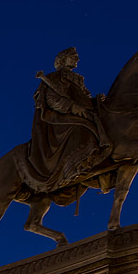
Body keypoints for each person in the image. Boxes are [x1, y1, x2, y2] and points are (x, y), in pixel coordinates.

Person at [24, 47, 112, 194]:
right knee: (82, 129)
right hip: (60, 117)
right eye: (74, 56)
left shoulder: (78, 79)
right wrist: (73, 107)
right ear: (63, 59)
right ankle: (74, 166)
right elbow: (52, 100)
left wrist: (96, 100)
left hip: (81, 113)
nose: (77, 59)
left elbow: (84, 99)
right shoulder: (53, 78)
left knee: (100, 123)